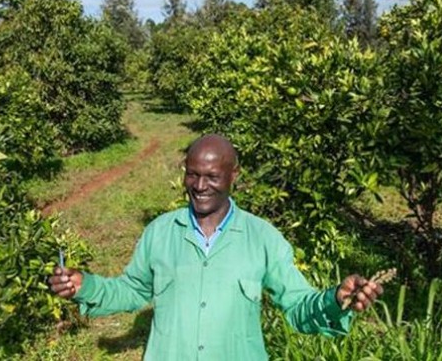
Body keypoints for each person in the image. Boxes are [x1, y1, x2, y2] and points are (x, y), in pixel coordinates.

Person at [49, 134, 383, 360]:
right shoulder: (161, 232)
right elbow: (132, 290)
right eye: (192, 175)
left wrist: (335, 300)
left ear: (233, 175)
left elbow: (297, 305)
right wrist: (86, 285)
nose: (199, 186)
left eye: (211, 176)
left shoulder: (262, 238)